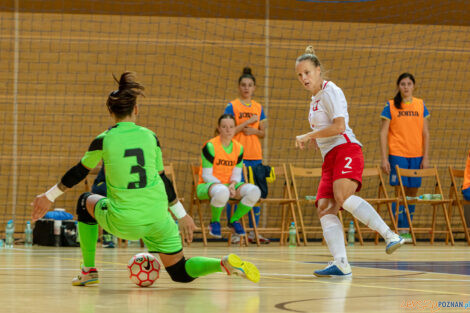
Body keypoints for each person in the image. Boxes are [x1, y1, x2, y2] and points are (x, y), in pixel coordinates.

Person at [31, 72, 260, 285]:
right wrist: (182, 215)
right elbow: (163, 180)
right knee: (180, 272)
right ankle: (222, 264)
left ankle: (89, 271)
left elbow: (79, 172)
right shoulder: (151, 137)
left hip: (124, 221)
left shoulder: (104, 139)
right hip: (159, 219)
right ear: (136, 109)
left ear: (111, 112)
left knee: (84, 201)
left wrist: (48, 196)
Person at [294, 46, 404, 277]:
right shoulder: (314, 100)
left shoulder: (330, 90)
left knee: (342, 196)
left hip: (346, 149)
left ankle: (390, 235)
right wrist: (317, 139)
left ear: (318, 70)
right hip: (329, 157)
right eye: (300, 75)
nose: (304, 78)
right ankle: (341, 262)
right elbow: (326, 129)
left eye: (307, 72)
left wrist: (309, 135)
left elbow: (339, 127)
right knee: (324, 208)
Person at [379, 73, 430, 243]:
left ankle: (408, 228)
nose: (406, 87)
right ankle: (398, 229)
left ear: (414, 86)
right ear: (398, 86)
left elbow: (426, 133)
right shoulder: (391, 105)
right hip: (397, 154)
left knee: (412, 193)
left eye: (409, 84)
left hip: (416, 155)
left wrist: (426, 157)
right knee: (399, 193)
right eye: (402, 84)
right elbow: (383, 132)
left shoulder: (420, 104)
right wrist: (384, 158)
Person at [197, 114, 262, 241]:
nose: (228, 130)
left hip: (228, 185)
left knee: (255, 191)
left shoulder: (239, 148)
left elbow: (237, 174)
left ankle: (234, 220)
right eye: (224, 127)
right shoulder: (210, 146)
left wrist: (232, 185)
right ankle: (214, 222)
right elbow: (206, 175)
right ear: (219, 128)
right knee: (222, 191)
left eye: (231, 127)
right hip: (206, 185)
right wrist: (226, 187)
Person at [224, 67, 269, 244]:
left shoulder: (259, 107)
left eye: (250, 85)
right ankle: (235, 232)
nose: (246, 88)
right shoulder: (232, 106)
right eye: (243, 85)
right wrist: (246, 124)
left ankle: (252, 232)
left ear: (254, 88)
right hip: (236, 157)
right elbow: (228, 131)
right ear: (239, 87)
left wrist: (255, 131)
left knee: (255, 194)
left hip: (255, 156)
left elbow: (263, 133)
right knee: (234, 194)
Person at [91, 166, 115, 248]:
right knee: (108, 209)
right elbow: (107, 172)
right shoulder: (110, 157)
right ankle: (107, 237)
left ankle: (107, 236)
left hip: (107, 186)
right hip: (102, 186)